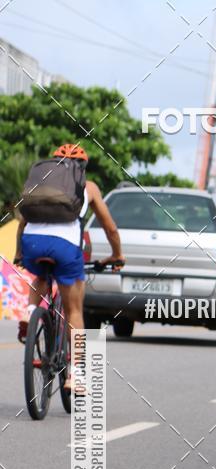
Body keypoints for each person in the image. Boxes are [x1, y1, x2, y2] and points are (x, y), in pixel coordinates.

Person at [16, 144, 125, 390]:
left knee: (41, 275)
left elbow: (23, 222)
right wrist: (117, 255)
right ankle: (75, 374)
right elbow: (111, 229)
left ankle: (31, 310)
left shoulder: (43, 182)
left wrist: (19, 254)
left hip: (32, 244)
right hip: (65, 249)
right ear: (83, 167)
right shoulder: (90, 187)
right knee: (73, 310)